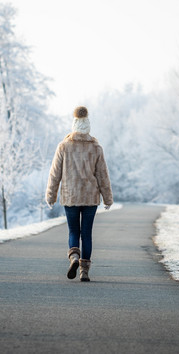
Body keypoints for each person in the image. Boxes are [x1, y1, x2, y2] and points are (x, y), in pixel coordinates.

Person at [46, 106, 113, 282]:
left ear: (74, 125)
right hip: (90, 198)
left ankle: (74, 256)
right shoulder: (96, 147)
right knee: (87, 233)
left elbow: (55, 173)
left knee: (73, 231)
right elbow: (102, 175)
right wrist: (108, 198)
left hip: (71, 196)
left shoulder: (64, 146)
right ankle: (84, 271)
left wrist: (51, 196)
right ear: (88, 125)